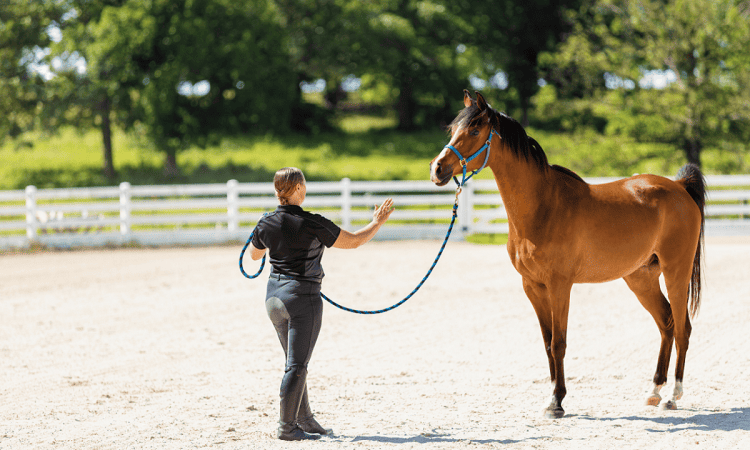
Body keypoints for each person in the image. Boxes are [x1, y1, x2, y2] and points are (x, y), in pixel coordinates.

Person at [249, 167, 394, 441]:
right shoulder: (314, 223)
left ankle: (304, 419)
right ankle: (287, 427)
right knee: (297, 366)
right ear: (299, 189)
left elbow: (255, 256)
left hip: (273, 299)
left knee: (294, 362)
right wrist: (377, 222)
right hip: (301, 299)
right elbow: (353, 241)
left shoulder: (264, 223)